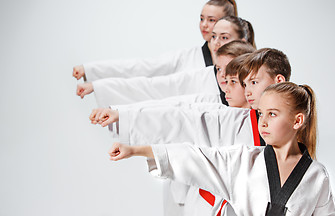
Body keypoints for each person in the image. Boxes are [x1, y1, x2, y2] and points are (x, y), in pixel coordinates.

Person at [90, 48, 290, 215]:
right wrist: (125, 117)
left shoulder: (296, 126)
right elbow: (183, 118)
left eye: (252, 83)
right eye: (245, 83)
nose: (247, 91)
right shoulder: (235, 120)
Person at [108, 82, 335, 215]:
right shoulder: (243, 160)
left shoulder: (317, 176)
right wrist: (137, 150)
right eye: (261, 113)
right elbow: (195, 157)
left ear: (297, 121)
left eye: (273, 114)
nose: (263, 122)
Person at [76, 17, 255, 107]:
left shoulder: (261, 80)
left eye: (224, 37)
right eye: (213, 36)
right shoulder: (206, 76)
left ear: (243, 42)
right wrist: (101, 84)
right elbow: (155, 85)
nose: (215, 43)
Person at [72, 0, 238, 83]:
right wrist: (91, 70)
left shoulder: (244, 59)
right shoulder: (186, 58)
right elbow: (141, 67)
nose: (204, 25)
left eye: (211, 20)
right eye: (201, 19)